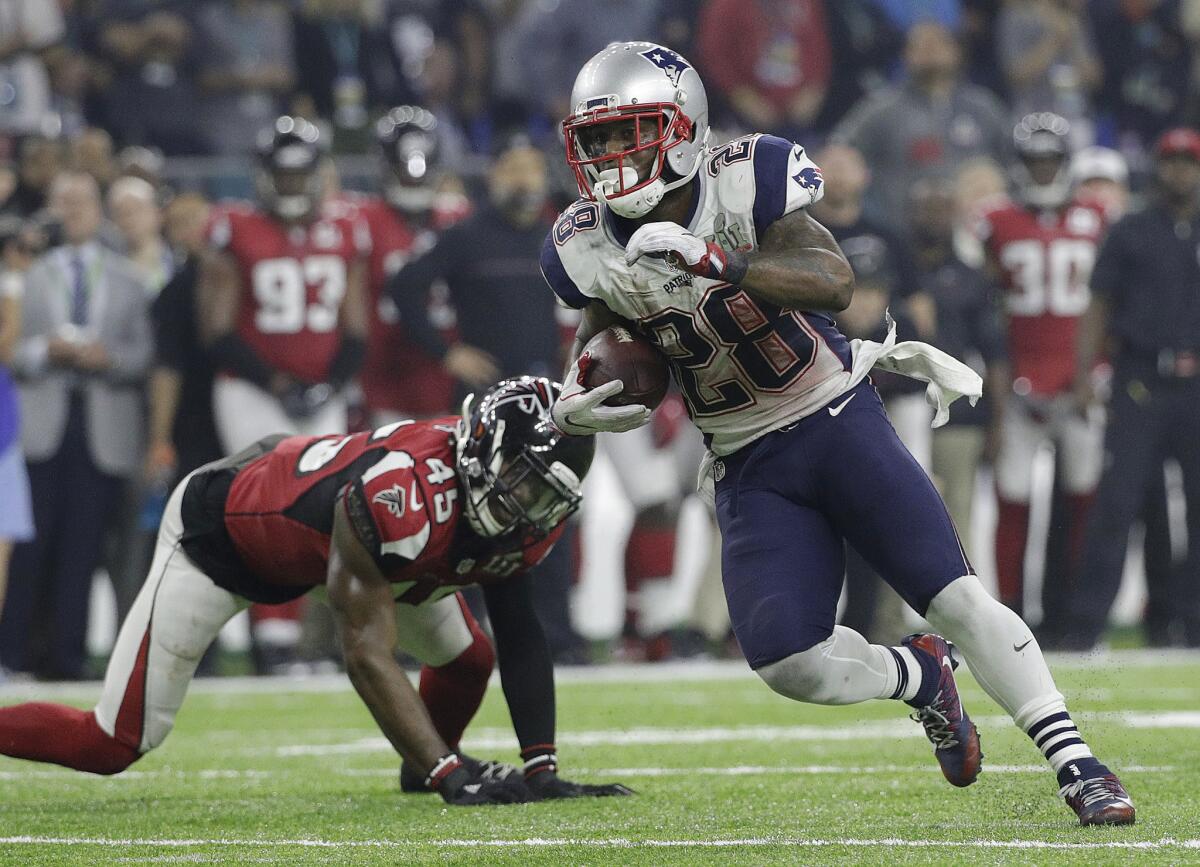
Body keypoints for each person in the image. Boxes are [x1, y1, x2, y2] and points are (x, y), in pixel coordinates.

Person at [542, 40, 1134, 826]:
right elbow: (605, 332)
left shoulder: (746, 176)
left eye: (631, 132)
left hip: (831, 416)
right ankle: (920, 679)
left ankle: (1078, 763)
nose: (614, 157)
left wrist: (718, 259)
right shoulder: (583, 238)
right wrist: (580, 391)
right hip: (745, 458)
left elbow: (835, 283)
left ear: (684, 126)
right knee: (790, 661)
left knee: (954, 595)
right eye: (600, 140)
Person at [0, 376, 632, 806]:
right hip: (222, 542)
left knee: (470, 660)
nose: (531, 510)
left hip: (338, 546)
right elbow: (363, 653)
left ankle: (423, 763)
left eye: (548, 497)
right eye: (525, 488)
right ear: (483, 457)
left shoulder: (506, 509)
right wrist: (454, 777)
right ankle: (435, 763)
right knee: (112, 743)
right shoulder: (400, 497)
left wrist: (542, 769)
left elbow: (518, 627)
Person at [198, 116, 369, 671]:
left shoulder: (346, 228)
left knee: (330, 514)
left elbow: (358, 325)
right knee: (265, 510)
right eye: (285, 175)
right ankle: (270, 640)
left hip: (323, 390)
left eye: (302, 175)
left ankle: (319, 642)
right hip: (252, 390)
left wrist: (328, 383)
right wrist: (278, 383)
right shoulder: (235, 227)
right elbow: (215, 330)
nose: (294, 186)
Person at [0, 171, 153, 680]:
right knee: (28, 548)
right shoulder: (25, 271)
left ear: (99, 210)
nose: (72, 211)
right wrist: (46, 350)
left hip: (102, 425)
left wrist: (105, 358)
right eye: (63, 201)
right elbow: (10, 350)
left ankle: (68, 658)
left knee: (84, 550)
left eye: (82, 201)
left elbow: (144, 356)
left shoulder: (128, 277)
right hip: (41, 422)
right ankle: (13, 656)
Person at [1066, 127, 1200, 649]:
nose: (1179, 171)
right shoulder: (1130, 231)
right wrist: (1084, 376)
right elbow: (1098, 304)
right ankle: (1087, 625)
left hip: (1196, 386)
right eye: (1171, 161)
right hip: (1141, 379)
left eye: (1188, 162)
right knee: (1117, 504)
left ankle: (1186, 623)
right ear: (1157, 168)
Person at [974, 112, 1109, 620]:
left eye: (1051, 161)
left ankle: (1074, 611)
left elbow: (1110, 300)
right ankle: (1010, 605)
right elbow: (984, 301)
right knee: (1012, 497)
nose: (1044, 171)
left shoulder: (1098, 215)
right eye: (1035, 161)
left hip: (1082, 379)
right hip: (1020, 379)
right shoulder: (996, 221)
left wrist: (1099, 368)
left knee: (1083, 496)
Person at [831, 21, 1012, 229]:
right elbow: (839, 150)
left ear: (956, 52)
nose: (930, 50)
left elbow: (1013, 159)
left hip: (977, 233)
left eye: (937, 43)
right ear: (905, 56)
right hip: (903, 232)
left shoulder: (983, 107)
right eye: (921, 45)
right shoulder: (881, 110)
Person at [352, 105, 465, 426]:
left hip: (449, 375)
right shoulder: (361, 219)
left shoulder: (458, 218)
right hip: (384, 375)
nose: (414, 178)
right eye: (404, 168)